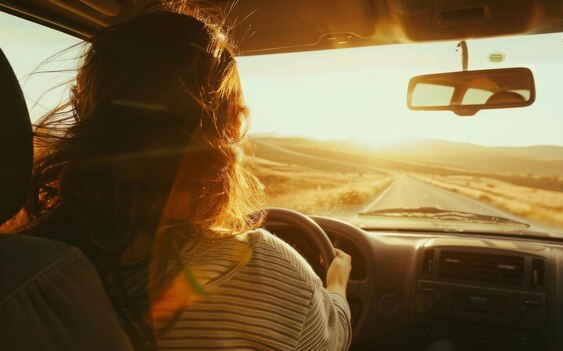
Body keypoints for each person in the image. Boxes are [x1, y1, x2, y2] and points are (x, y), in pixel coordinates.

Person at [23, 6, 352, 351]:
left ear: (83, 111)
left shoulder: (23, 273)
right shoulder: (268, 270)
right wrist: (338, 287)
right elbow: (334, 341)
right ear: (231, 128)